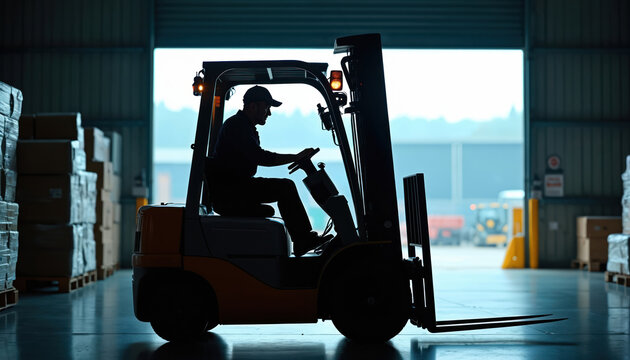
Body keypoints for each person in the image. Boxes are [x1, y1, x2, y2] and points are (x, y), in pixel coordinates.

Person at [212, 85, 330, 256]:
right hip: (233, 190)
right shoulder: (237, 126)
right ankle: (303, 240)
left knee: (284, 187)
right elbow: (261, 158)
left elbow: (258, 157)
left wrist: (295, 158)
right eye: (266, 108)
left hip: (235, 187)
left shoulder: (243, 126)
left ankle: (303, 239)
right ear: (253, 107)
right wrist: (295, 157)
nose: (269, 113)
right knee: (285, 187)